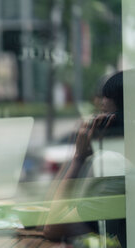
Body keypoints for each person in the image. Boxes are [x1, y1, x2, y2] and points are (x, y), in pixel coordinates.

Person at [43, 71, 126, 246]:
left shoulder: (118, 175)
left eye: (103, 115)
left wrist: (79, 158)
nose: (95, 122)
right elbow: (48, 210)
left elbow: (52, 226)